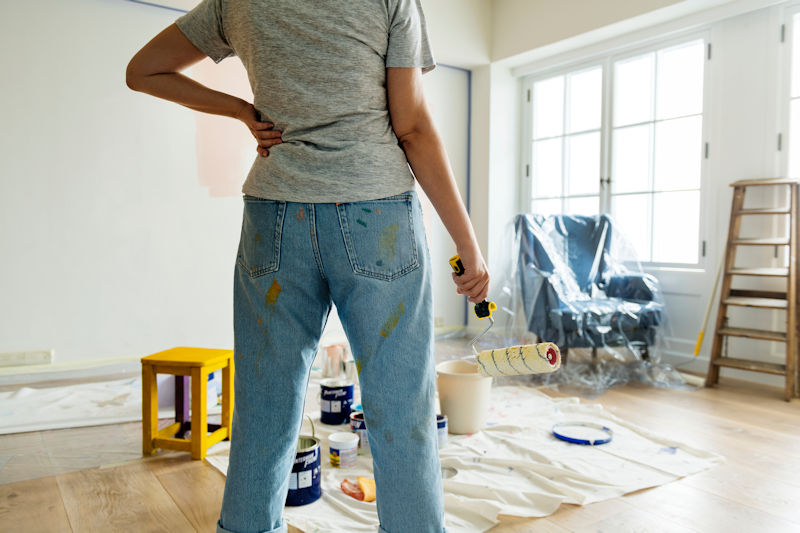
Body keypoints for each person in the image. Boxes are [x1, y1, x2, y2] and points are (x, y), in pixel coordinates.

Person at [126, 1, 489, 531]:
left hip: (275, 217)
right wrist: (468, 243)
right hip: (377, 216)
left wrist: (239, 111)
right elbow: (411, 128)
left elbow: (142, 71)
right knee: (401, 411)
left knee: (264, 411)